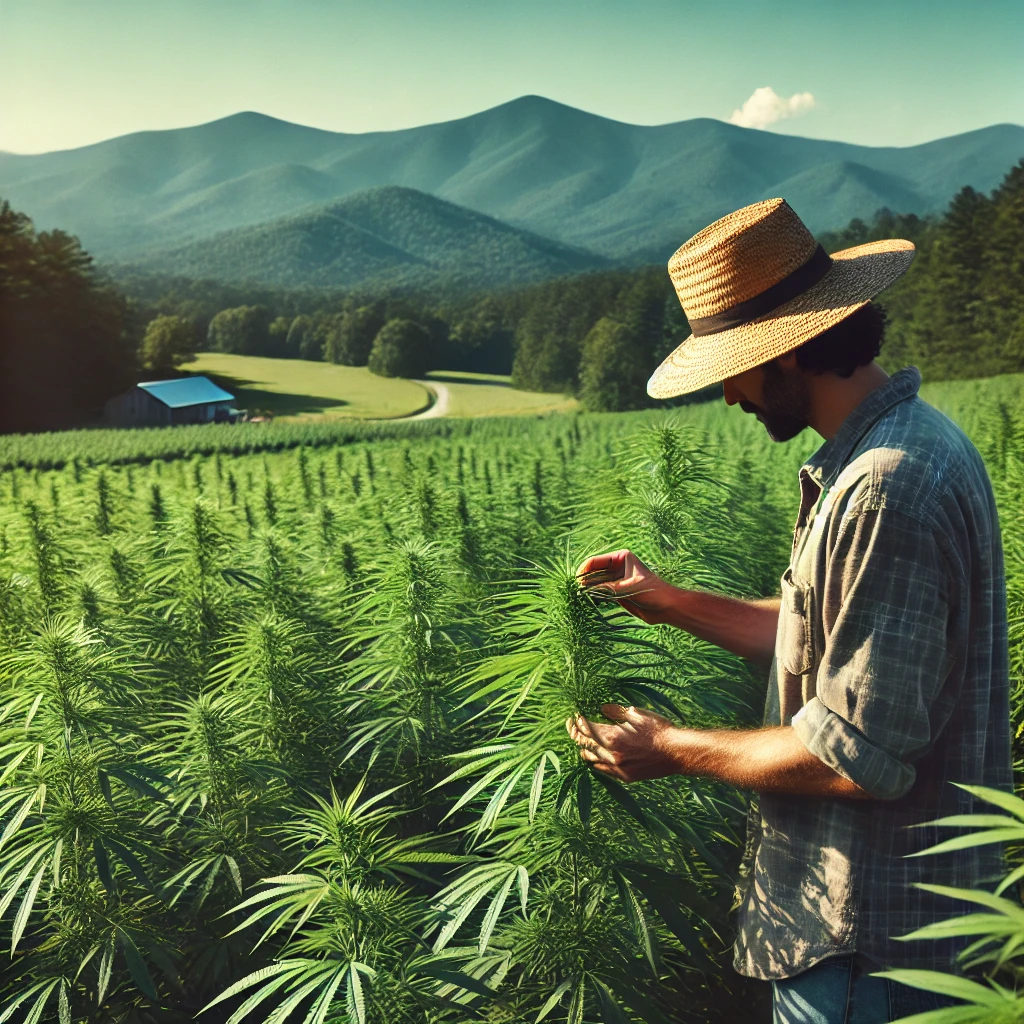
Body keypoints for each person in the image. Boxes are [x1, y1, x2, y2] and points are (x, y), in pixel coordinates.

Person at [567, 198, 1011, 1024]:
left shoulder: (888, 487)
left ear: (794, 351)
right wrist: (668, 602)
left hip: (867, 942)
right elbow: (834, 637)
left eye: (735, 364)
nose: (730, 393)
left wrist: (668, 748)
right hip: (876, 940)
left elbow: (858, 755)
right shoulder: (897, 450)